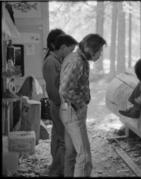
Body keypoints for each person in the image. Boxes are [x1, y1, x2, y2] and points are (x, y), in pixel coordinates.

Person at [59, 34, 106, 177]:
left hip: (69, 110)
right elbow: (65, 90)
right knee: (84, 157)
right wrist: (80, 105)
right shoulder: (77, 61)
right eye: (98, 51)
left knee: (71, 153)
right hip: (72, 111)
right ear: (87, 48)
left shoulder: (79, 59)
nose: (99, 54)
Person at [42, 29, 78, 176]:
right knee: (63, 139)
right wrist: (64, 104)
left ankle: (58, 168)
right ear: (55, 45)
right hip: (59, 106)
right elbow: (52, 89)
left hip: (60, 104)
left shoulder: (57, 60)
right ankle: (58, 170)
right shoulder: (51, 62)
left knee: (59, 136)